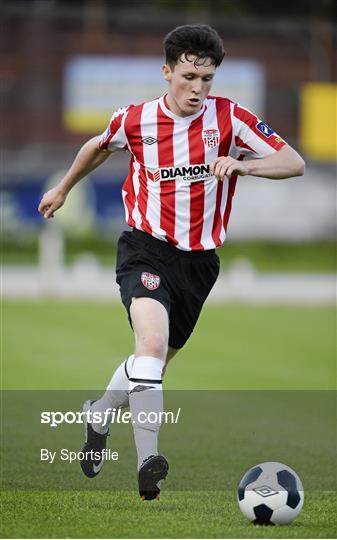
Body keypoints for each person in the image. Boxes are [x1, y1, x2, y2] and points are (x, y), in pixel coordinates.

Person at [38, 24, 305, 501]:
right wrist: (63, 188)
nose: (198, 89)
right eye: (188, 77)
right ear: (167, 72)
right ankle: (148, 463)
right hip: (145, 247)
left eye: (207, 79)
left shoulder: (231, 120)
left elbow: (293, 162)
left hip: (199, 264)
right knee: (152, 342)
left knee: (153, 362)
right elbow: (96, 147)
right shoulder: (136, 120)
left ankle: (98, 416)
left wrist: (245, 164)